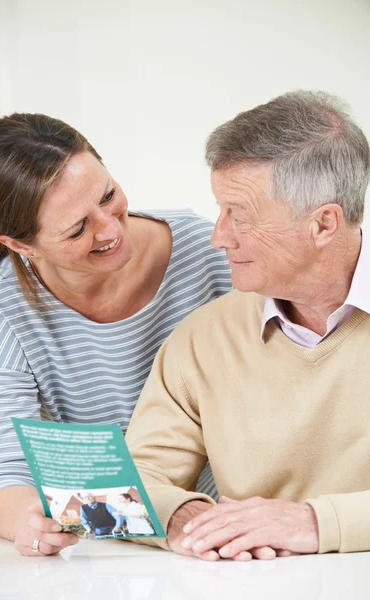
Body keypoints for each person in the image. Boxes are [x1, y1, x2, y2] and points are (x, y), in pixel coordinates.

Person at [0, 113, 232, 557]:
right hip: (110, 540)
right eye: (77, 230)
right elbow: (4, 467)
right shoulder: (2, 304)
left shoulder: (207, 252)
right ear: (20, 245)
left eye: (108, 195)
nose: (110, 229)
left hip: (223, 525)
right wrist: (28, 519)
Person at [125, 90, 370, 562]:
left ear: (323, 224)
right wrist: (187, 520)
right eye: (220, 210)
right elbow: (125, 485)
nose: (218, 236)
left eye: (240, 216)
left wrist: (316, 523)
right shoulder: (200, 340)